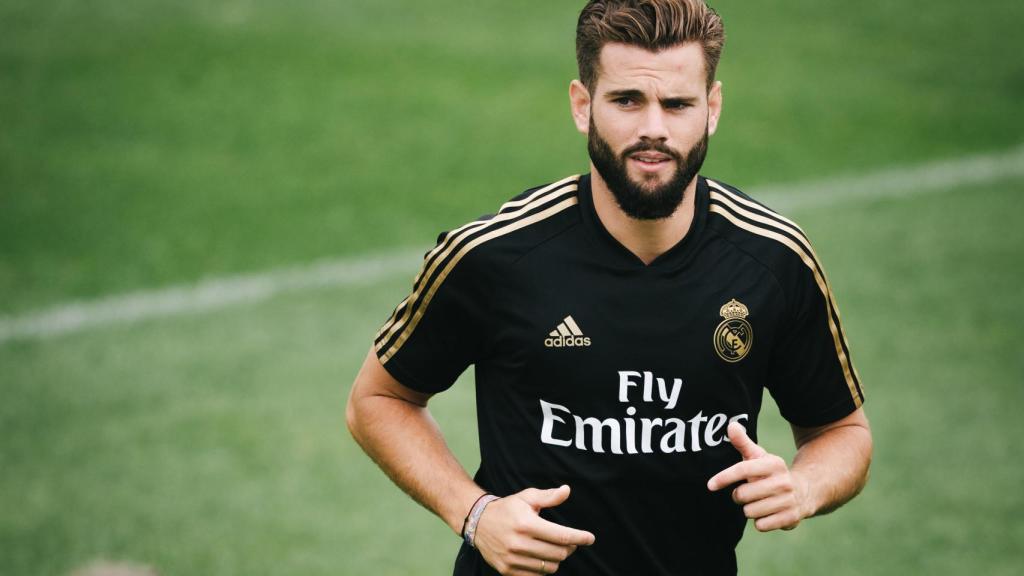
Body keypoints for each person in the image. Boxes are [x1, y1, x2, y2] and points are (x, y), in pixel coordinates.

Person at [346, 0, 873, 574]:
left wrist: (803, 487)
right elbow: (377, 400)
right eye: (627, 100)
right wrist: (475, 514)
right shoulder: (495, 258)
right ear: (582, 105)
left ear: (712, 108)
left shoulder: (773, 262)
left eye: (677, 104)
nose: (654, 128)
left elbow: (842, 433)